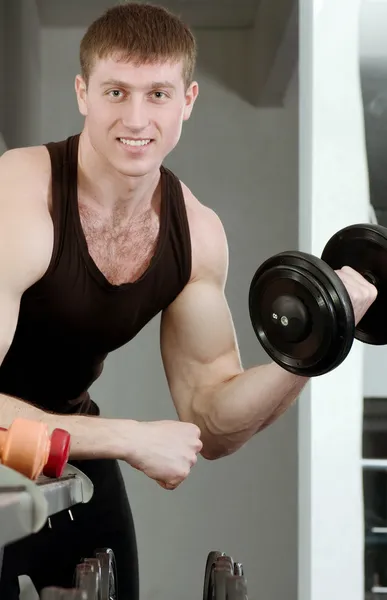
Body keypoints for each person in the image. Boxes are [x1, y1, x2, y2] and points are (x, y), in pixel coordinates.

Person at [0, 2, 376, 598]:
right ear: (83, 93)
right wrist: (126, 439)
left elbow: (211, 418)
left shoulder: (195, 234)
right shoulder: (19, 195)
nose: (136, 117)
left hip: (68, 443)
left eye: (158, 94)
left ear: (188, 101)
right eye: (116, 91)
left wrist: (320, 338)